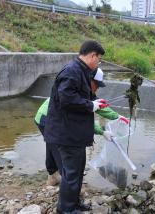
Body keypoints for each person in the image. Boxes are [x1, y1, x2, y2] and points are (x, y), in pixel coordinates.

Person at [34, 68, 129, 188]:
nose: (97, 88)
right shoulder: (77, 92)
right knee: (59, 151)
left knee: (52, 147)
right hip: (46, 119)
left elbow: (100, 107)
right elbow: (81, 120)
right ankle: (67, 187)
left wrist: (117, 117)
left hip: (49, 118)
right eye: (96, 84)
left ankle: (53, 177)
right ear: (89, 80)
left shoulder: (85, 91)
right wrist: (102, 131)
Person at [44, 40, 108, 214]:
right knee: (71, 173)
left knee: (78, 171)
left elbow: (78, 96)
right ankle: (65, 209)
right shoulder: (72, 71)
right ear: (92, 55)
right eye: (99, 59)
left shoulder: (81, 70)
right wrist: (90, 106)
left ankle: (74, 203)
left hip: (75, 133)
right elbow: (66, 99)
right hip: (67, 133)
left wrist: (93, 102)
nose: (98, 63)